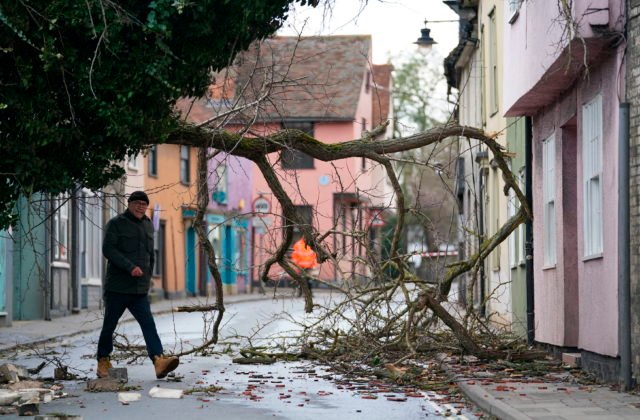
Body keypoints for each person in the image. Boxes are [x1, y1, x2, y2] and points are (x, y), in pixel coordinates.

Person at [96, 190, 179, 379]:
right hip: (117, 287)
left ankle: (158, 360)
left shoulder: (148, 225)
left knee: (148, 324)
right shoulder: (116, 224)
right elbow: (108, 249)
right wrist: (129, 267)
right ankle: (102, 360)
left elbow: (151, 255)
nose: (141, 206)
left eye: (144, 204)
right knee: (109, 326)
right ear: (130, 204)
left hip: (139, 290)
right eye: (137, 203)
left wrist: (148, 276)